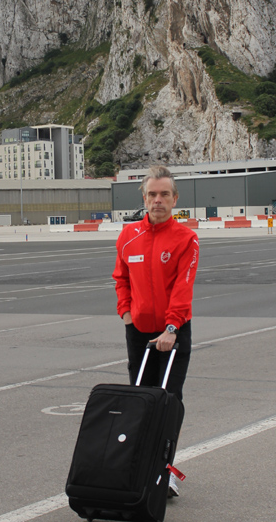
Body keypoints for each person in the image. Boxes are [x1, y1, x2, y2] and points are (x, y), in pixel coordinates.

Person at [112, 165, 199, 498]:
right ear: (144, 198)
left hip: (174, 333)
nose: (158, 200)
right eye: (152, 194)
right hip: (139, 332)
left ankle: (164, 470)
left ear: (175, 199)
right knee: (140, 400)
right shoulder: (128, 235)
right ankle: (137, 467)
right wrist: (126, 314)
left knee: (168, 402)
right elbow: (121, 278)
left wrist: (172, 327)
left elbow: (183, 287)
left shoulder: (185, 239)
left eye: (164, 194)